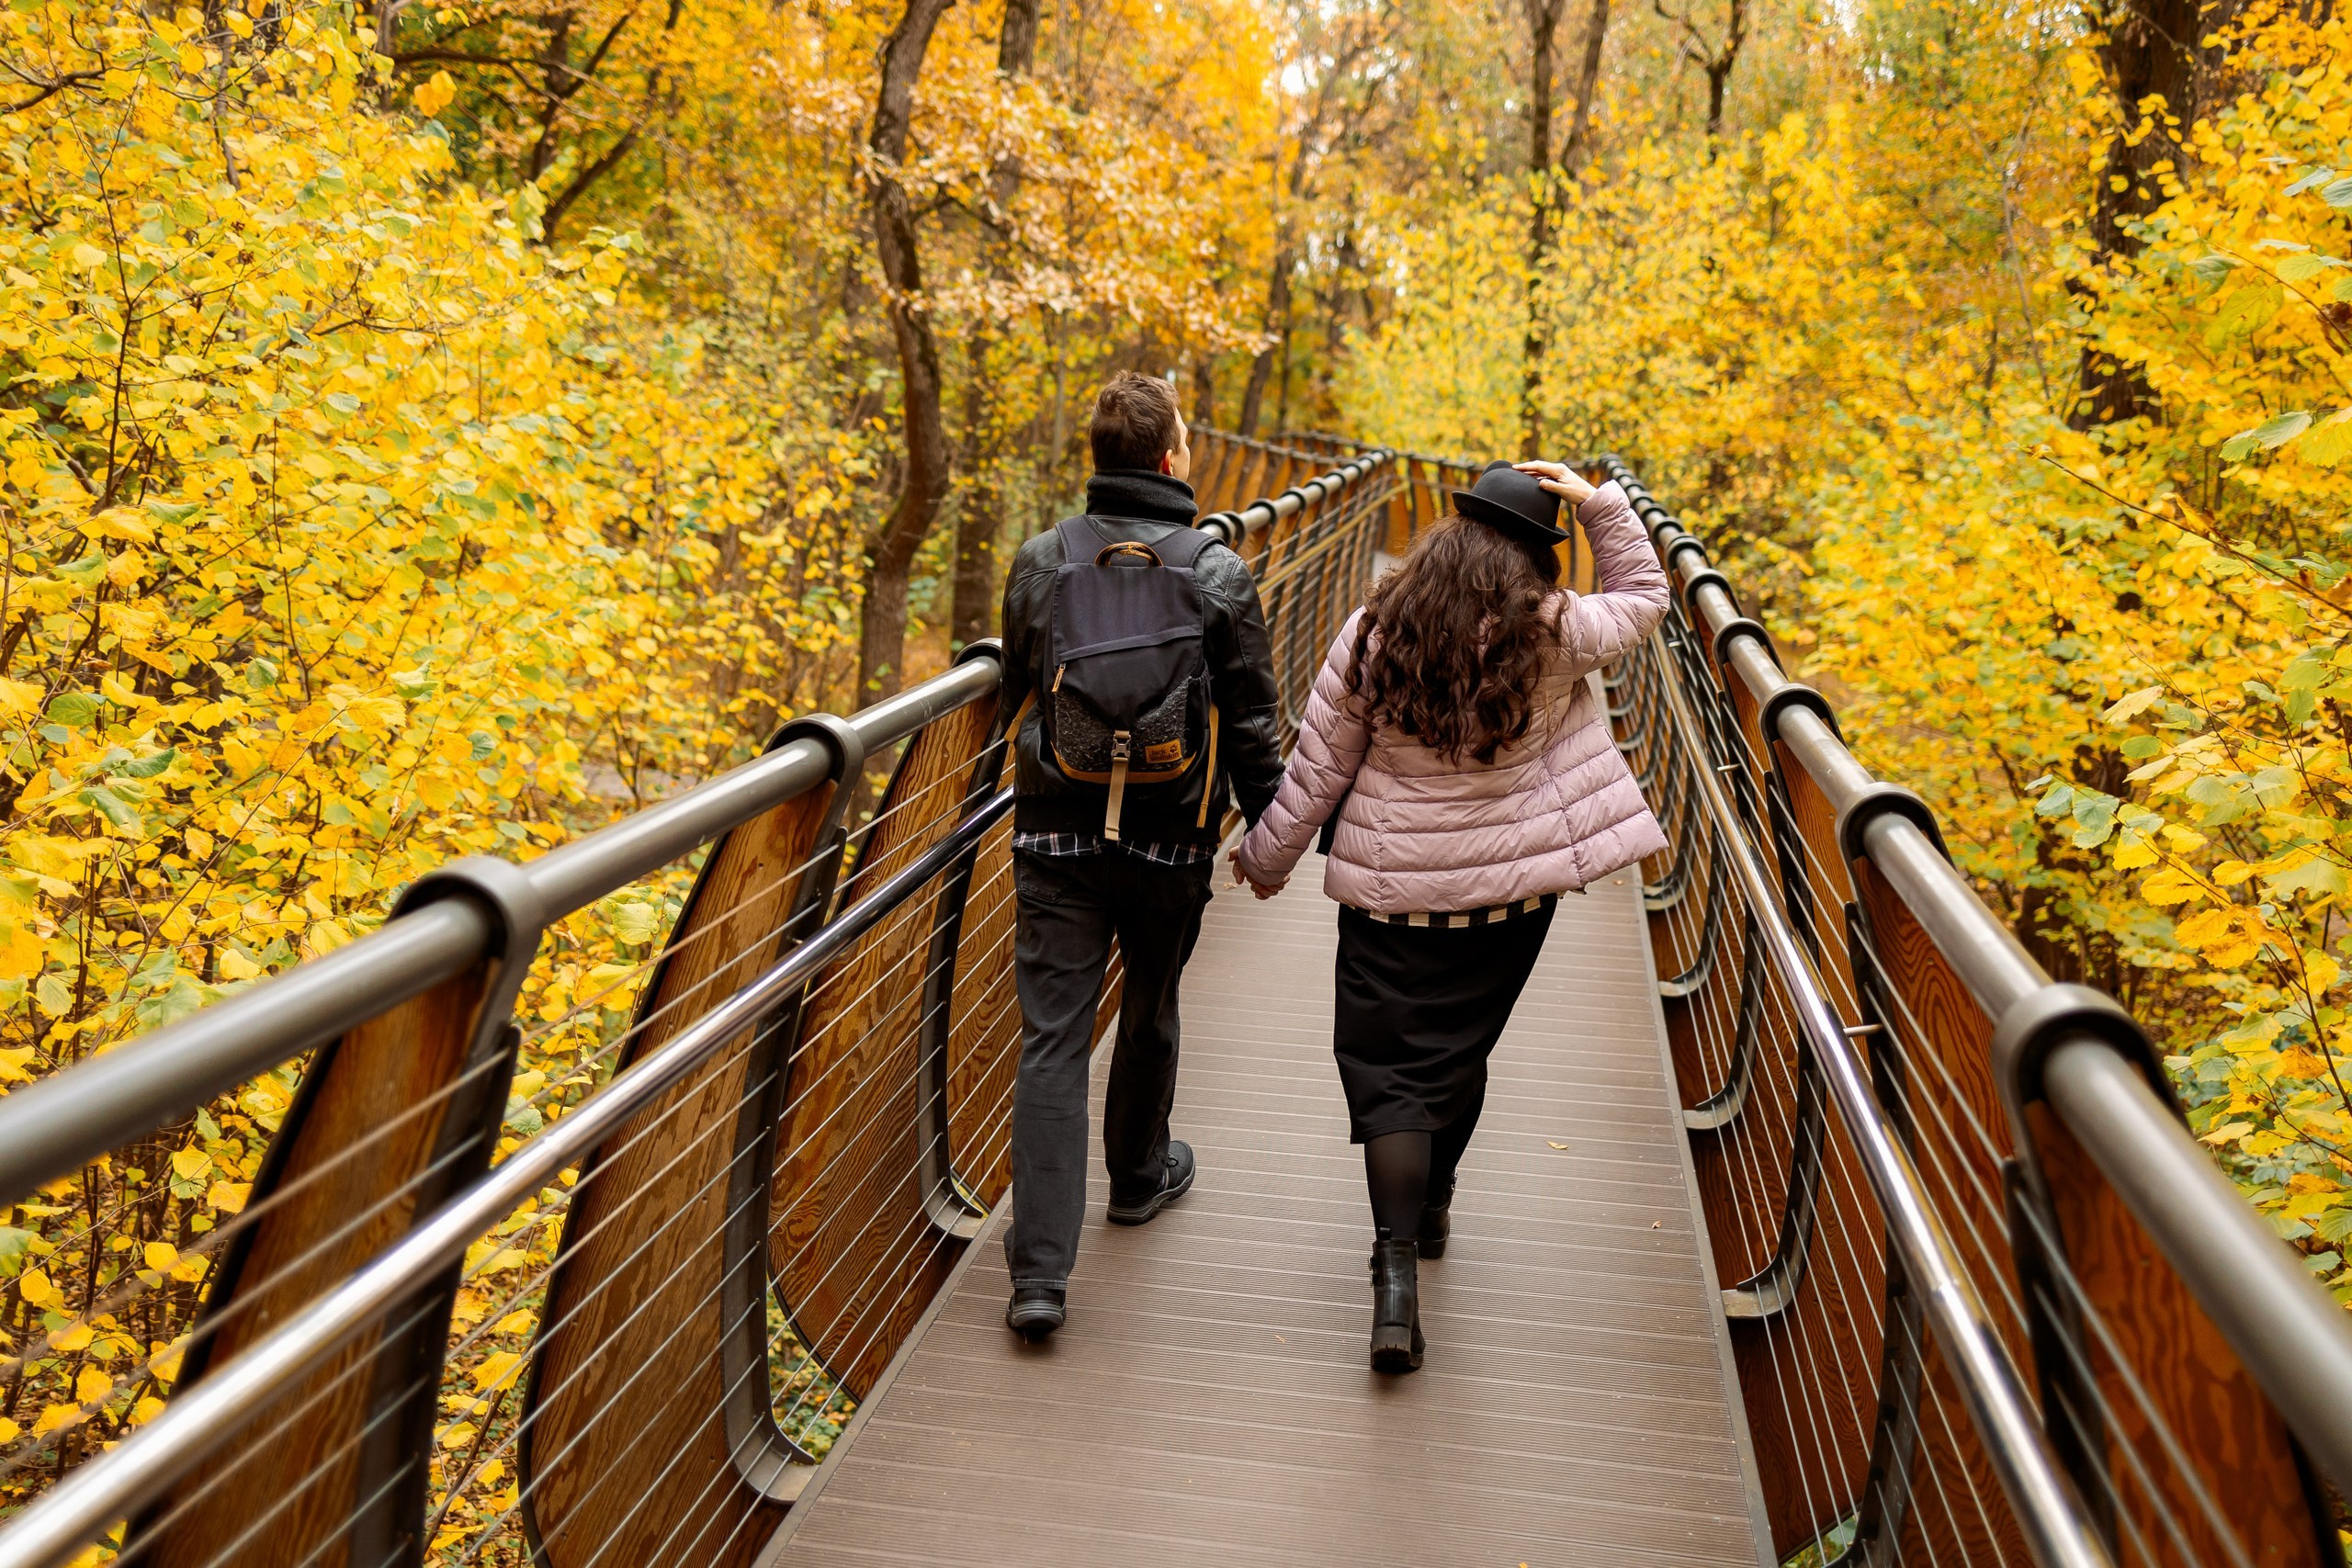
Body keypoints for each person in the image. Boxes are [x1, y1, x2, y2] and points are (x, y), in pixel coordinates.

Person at [1230, 457, 1670, 1372]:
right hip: (1511, 903)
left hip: (1394, 904)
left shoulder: (1372, 634)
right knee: (1457, 1054)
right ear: (1529, 560)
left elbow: (1315, 770)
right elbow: (1645, 593)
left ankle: (1395, 1282)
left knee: (1390, 1076)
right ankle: (1434, 1204)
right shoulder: (1552, 633)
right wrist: (1597, 504)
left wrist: (1263, 860)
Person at [996, 371, 1286, 1341]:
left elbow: (1014, 685)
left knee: (1051, 1040)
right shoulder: (1215, 571)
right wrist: (1272, 838)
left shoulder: (1040, 561)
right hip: (1170, 837)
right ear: (1170, 459)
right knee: (1151, 1003)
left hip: (1053, 834)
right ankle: (1134, 1178)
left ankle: (1037, 1279)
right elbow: (1250, 722)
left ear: (1097, 459)